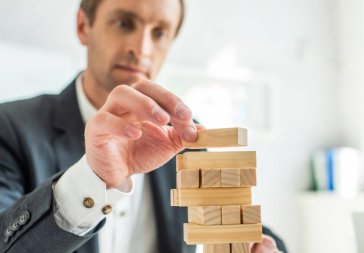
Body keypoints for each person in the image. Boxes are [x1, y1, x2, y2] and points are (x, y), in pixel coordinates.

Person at [0, 0, 287, 252]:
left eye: (160, 32)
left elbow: (238, 224)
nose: (142, 48)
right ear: (83, 26)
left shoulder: (186, 139)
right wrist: (92, 178)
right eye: (124, 23)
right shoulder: (10, 127)